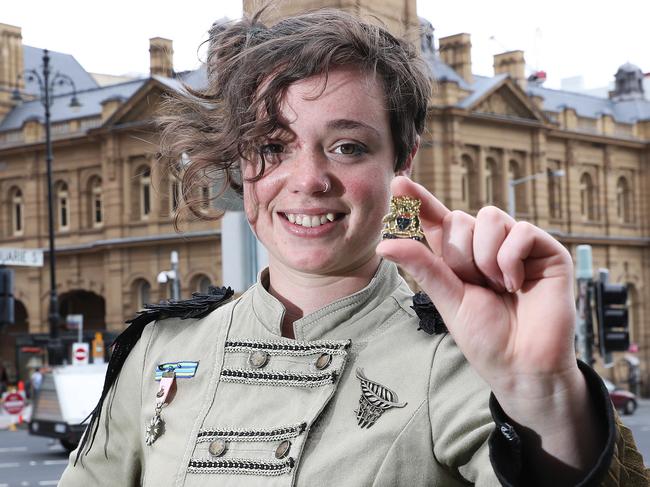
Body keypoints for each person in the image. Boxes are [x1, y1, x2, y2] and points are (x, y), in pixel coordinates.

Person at [60, 8, 648, 486]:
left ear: (402, 161)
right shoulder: (160, 350)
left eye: (347, 147)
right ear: (238, 163)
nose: (309, 178)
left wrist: (544, 395)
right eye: (271, 144)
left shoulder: (463, 360)